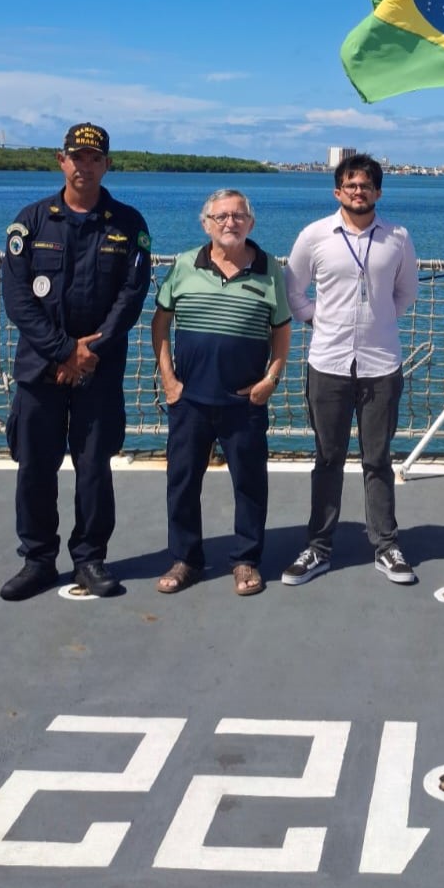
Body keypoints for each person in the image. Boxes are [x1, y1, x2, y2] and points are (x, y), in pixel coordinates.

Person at [0, 122, 151, 600]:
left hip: (98, 372)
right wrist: (65, 351)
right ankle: (39, 560)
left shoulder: (129, 224)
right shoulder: (31, 222)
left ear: (108, 165)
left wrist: (88, 352)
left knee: (93, 468)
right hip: (40, 369)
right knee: (35, 467)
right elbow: (17, 298)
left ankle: (89, 559)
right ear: (61, 161)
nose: (85, 166)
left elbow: (131, 298)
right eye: (76, 156)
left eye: (94, 158)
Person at [281, 153, 419, 586]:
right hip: (328, 364)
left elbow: (405, 293)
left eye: (366, 186)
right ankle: (318, 547)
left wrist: (377, 323)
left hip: (380, 364)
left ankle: (386, 545)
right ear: (337, 191)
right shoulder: (315, 235)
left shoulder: (397, 237)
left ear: (378, 192)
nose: (358, 192)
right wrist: (314, 319)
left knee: (378, 459)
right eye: (350, 185)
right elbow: (292, 287)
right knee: (328, 458)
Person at [151, 190, 292, 596]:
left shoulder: (269, 270)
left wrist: (272, 379)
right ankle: (185, 559)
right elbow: (161, 324)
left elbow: (281, 329)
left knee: (249, 483)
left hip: (244, 401)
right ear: (206, 223)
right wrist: (169, 380)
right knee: (181, 482)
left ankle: (246, 560)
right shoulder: (183, 265)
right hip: (190, 398)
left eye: (239, 216)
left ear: (251, 223)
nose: (230, 222)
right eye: (221, 216)